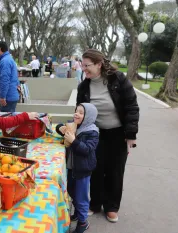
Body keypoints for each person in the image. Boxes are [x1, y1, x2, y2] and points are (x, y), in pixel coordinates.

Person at [76, 49, 139, 223]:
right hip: (94, 134)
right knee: (95, 169)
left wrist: (131, 134)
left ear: (99, 64)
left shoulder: (118, 79)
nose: (84, 69)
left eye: (87, 66)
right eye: (82, 65)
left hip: (118, 133)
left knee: (115, 170)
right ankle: (95, 203)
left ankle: (112, 206)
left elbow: (131, 106)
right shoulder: (83, 86)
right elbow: (80, 110)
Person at [56, 103, 99, 233]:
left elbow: (87, 150)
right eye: (76, 111)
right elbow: (58, 126)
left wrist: (74, 141)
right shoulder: (75, 126)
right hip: (72, 167)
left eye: (81, 112)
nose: (76, 114)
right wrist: (61, 128)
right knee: (71, 191)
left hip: (82, 170)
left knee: (81, 197)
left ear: (88, 117)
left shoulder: (92, 132)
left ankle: (83, 222)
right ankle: (77, 213)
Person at [0, 41, 19, 112]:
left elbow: (4, 80)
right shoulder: (8, 59)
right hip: (11, 96)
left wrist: (3, 97)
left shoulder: (5, 61)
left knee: (6, 121)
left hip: (8, 98)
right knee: (9, 119)